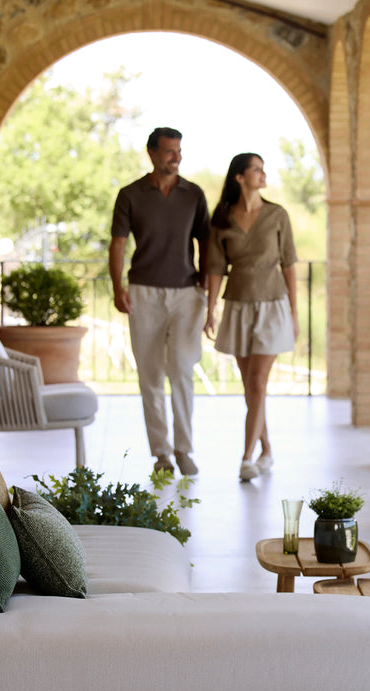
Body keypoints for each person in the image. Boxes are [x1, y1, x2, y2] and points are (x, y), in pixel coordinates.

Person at [109, 127, 210, 476]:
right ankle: (162, 454)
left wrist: (209, 289)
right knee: (150, 373)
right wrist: (116, 286)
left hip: (186, 293)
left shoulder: (193, 194)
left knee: (182, 367)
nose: (176, 157)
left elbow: (208, 244)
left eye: (179, 151)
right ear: (152, 153)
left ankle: (184, 449)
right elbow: (118, 244)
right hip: (143, 292)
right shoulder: (130, 195)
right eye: (169, 151)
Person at [204, 153, 299, 482]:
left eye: (262, 169)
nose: (263, 174)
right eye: (256, 169)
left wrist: (295, 312)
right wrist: (209, 310)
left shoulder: (277, 215)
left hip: (273, 305)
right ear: (239, 177)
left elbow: (289, 264)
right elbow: (215, 268)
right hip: (239, 305)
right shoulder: (223, 219)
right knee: (250, 387)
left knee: (258, 382)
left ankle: (246, 457)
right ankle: (267, 450)